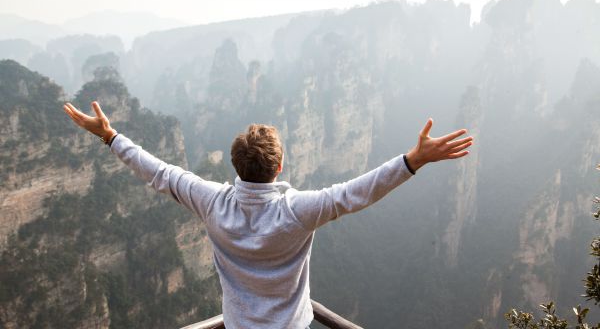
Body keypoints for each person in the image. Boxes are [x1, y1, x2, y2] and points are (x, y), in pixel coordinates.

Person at [63, 101, 473, 329]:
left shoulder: (210, 201)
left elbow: (159, 172)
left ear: (236, 166)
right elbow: (356, 194)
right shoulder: (297, 212)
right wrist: (414, 160)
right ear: (279, 168)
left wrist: (110, 136)